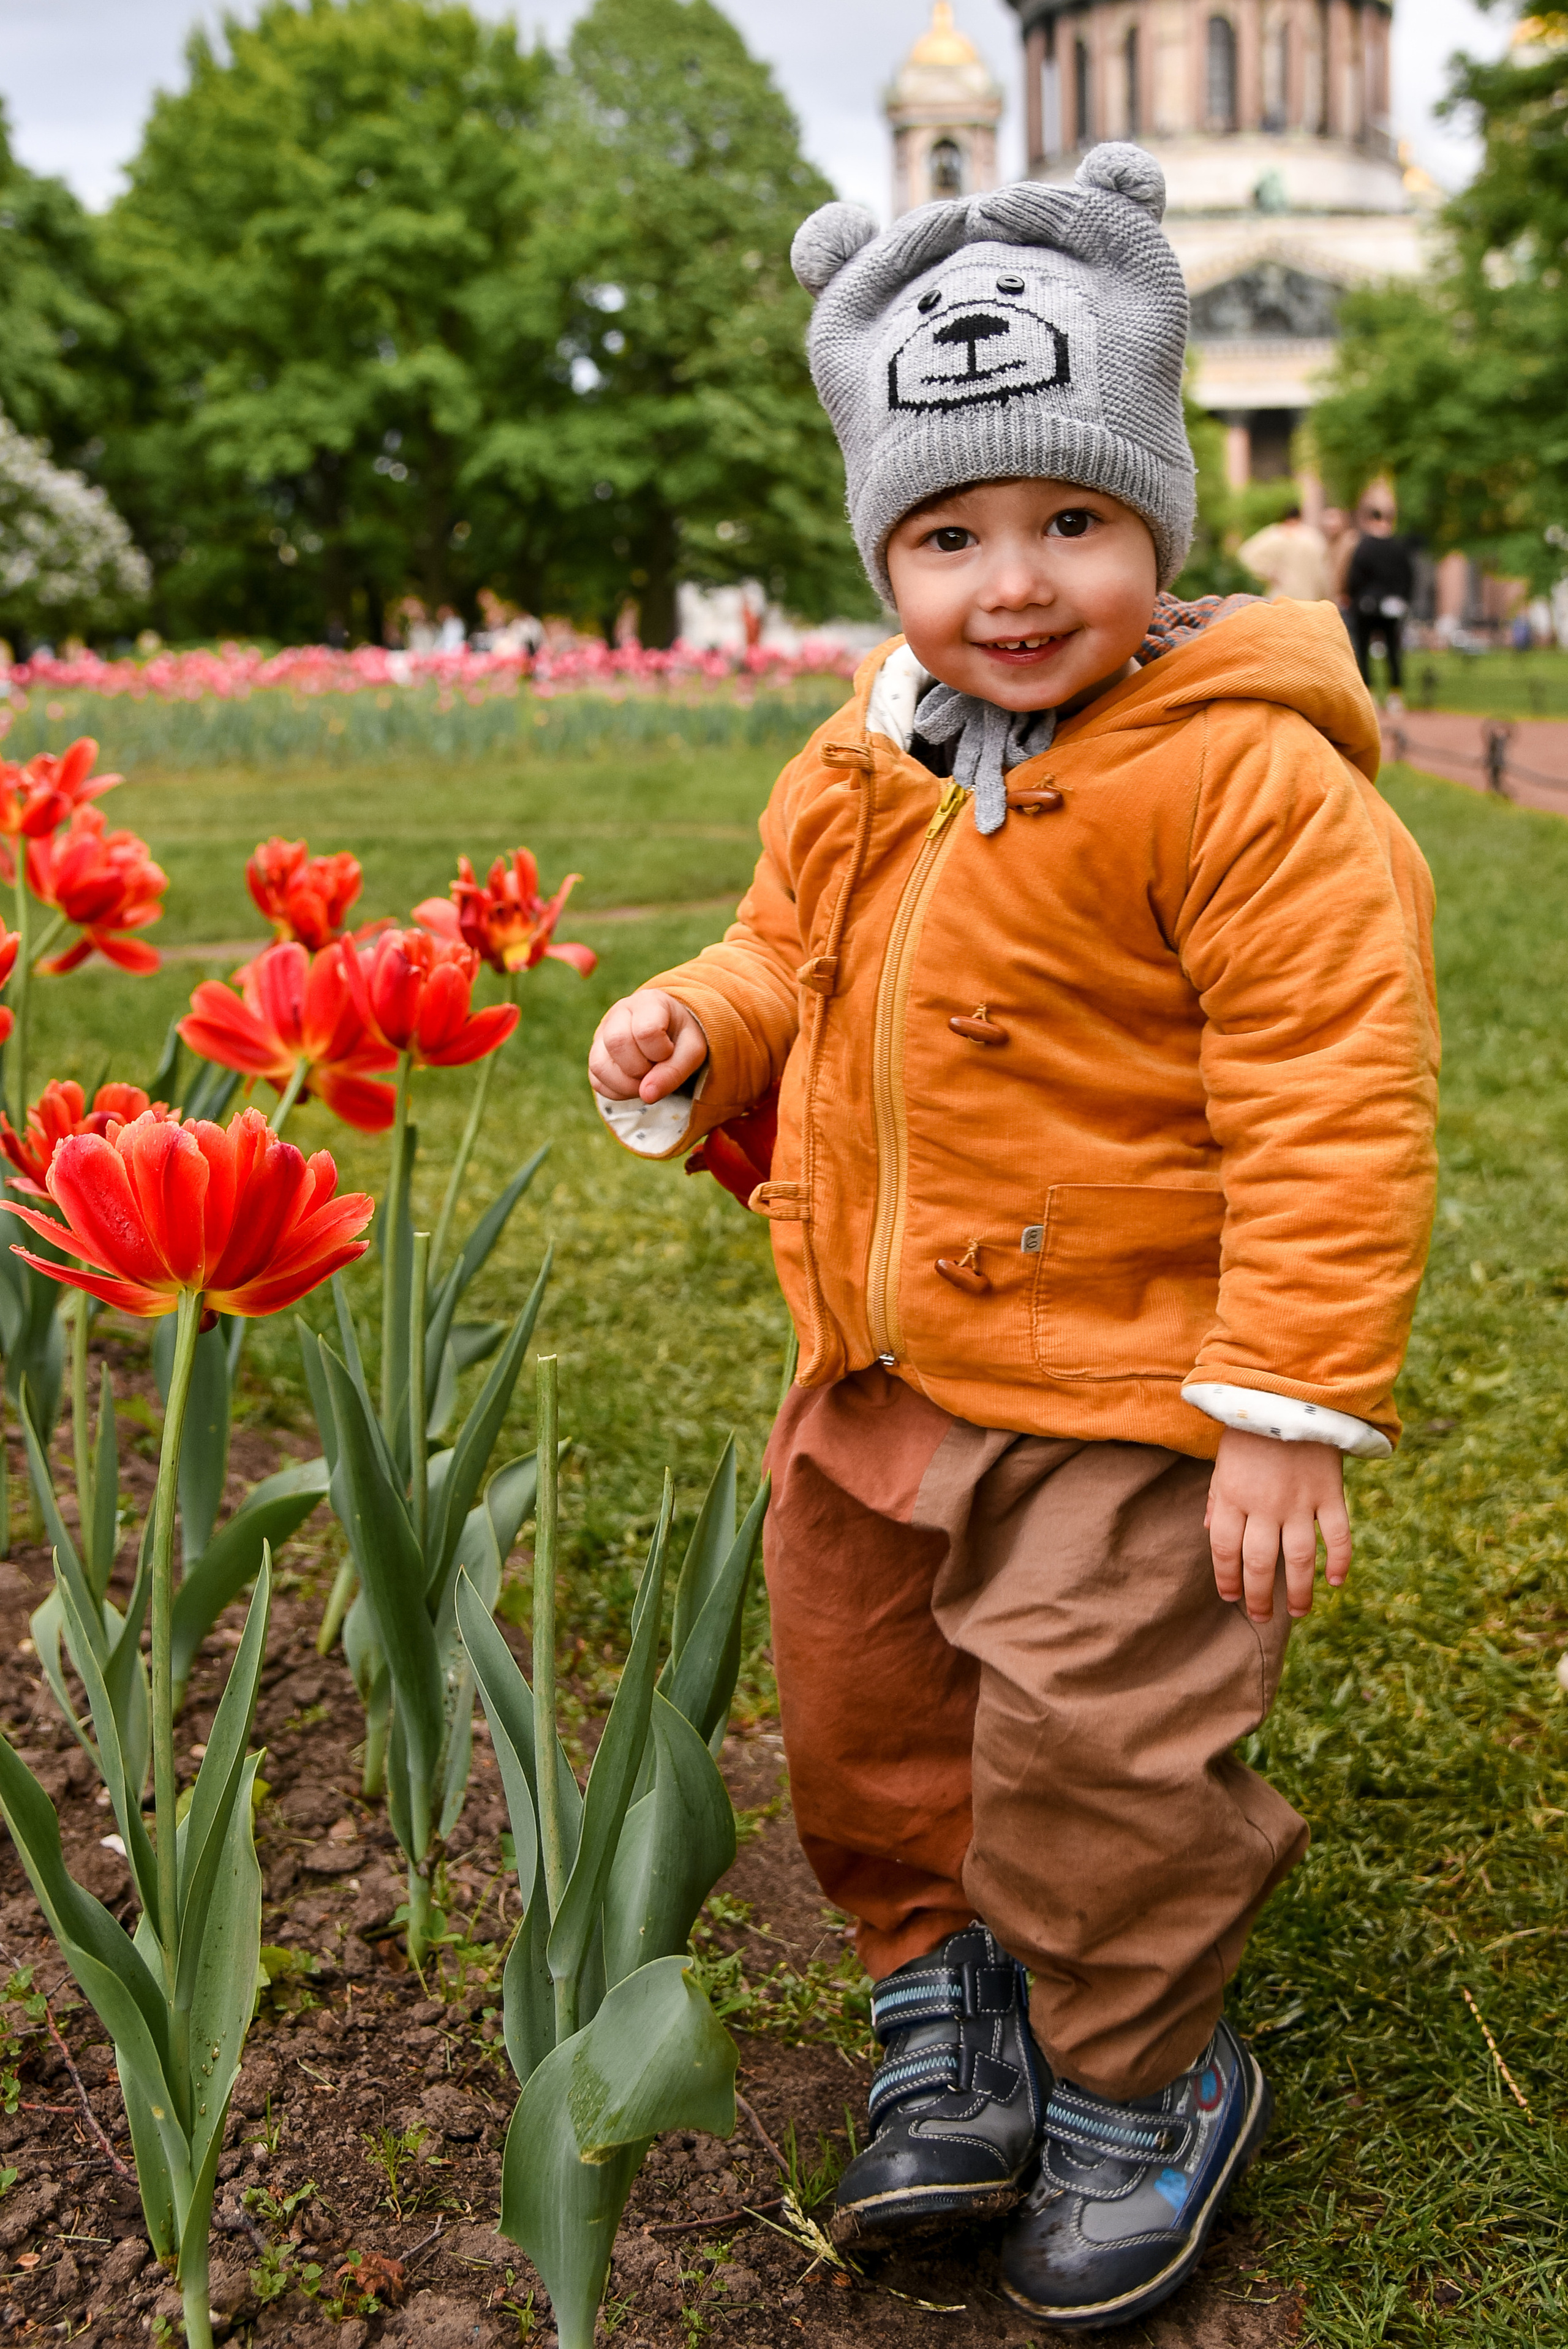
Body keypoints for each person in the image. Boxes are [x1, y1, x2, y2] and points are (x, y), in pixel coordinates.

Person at [587, 146, 1438, 2331]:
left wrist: (1280, 1408)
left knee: (1096, 1740)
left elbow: (1330, 1092)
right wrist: (706, 1016)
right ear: (886, 549)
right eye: (947, 534)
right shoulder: (858, 763)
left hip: (1130, 1385)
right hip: (875, 1366)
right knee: (870, 1712)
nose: (1012, 578)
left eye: (1067, 515)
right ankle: (942, 1994)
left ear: (1155, 503)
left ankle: (1140, 2057)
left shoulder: (1236, 779)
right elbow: (791, 947)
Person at [1346, 498, 1415, 702]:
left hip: (1366, 605)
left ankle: (1369, 692)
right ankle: (1396, 693)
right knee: (1393, 650)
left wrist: (1353, 597)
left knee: (1364, 648)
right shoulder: (1398, 547)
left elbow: (1355, 577)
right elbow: (1409, 576)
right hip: (1392, 606)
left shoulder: (1364, 546)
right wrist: (1403, 599)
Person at [1236, 502, 1332, 602]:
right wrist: (1326, 597)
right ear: (1301, 517)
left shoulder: (1275, 535)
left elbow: (1244, 554)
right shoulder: (1314, 537)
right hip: (1309, 600)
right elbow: (1323, 573)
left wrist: (1269, 572)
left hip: (1282, 599)